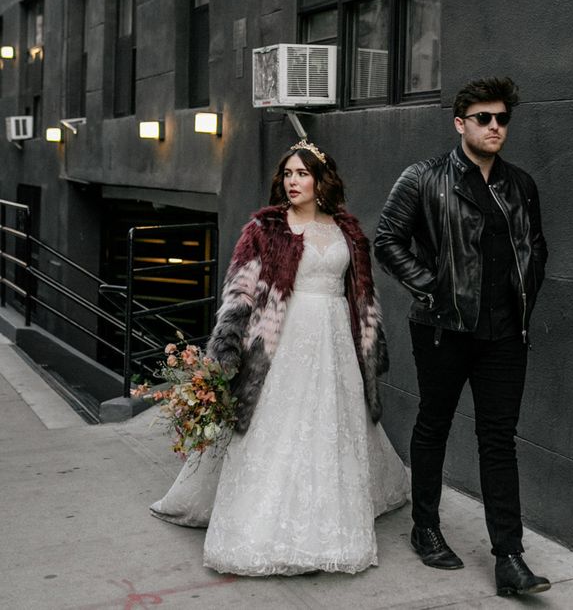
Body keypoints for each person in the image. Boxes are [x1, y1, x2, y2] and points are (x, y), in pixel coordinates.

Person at [150, 141, 409, 576]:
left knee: (332, 427)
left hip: (336, 345)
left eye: (302, 174)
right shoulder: (267, 230)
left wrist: (370, 343)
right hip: (283, 342)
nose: (293, 182)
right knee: (281, 428)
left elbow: (363, 294)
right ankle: (265, 529)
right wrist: (225, 352)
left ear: (321, 179)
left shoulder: (348, 230)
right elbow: (239, 293)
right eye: (287, 174)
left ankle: (330, 531)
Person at [373, 77, 550, 596]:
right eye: (484, 119)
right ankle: (425, 528)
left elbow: (536, 246)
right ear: (460, 123)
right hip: (443, 330)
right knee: (434, 423)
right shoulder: (425, 178)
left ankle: (509, 557)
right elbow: (388, 240)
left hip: (503, 334)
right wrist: (432, 290)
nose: (496, 127)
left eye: (502, 119)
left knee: (499, 439)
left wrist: (525, 296)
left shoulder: (520, 184)